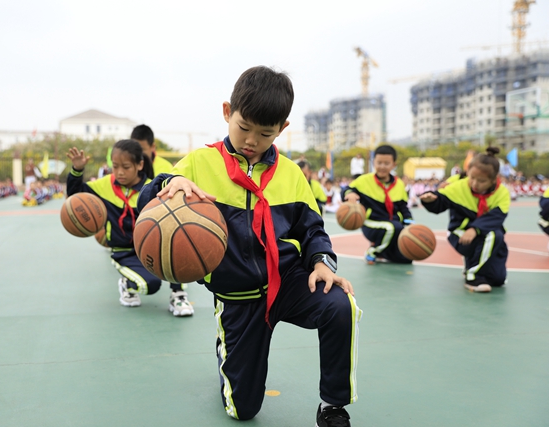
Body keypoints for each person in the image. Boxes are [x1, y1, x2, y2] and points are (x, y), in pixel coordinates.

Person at [138, 66, 361, 426]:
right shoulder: (199, 162)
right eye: (243, 127)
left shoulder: (290, 174)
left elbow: (313, 228)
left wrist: (321, 262)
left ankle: (333, 406)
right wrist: (172, 180)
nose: (251, 140)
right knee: (242, 411)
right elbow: (148, 200)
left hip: (287, 281)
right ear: (227, 112)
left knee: (340, 305)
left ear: (282, 130)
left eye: (265, 133)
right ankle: (230, 357)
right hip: (237, 295)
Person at [66, 139, 195, 317]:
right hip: (124, 251)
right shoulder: (102, 187)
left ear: (140, 165)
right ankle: (127, 284)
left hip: (152, 247)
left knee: (177, 247)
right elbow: (75, 196)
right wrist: (77, 171)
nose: (119, 172)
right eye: (115, 166)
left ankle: (178, 296)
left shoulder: (152, 189)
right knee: (150, 285)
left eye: (126, 167)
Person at [420, 147, 510, 293]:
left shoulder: (502, 193)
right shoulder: (459, 187)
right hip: (459, 233)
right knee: (493, 235)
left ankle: (472, 265)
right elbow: (441, 203)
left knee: (498, 279)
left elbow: (496, 218)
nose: (474, 183)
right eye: (472, 177)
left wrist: (475, 229)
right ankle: (473, 277)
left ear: (494, 180)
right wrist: (431, 200)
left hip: (481, 233)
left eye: (481, 181)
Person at [343, 145, 413, 265]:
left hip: (394, 225)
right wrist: (351, 194)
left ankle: (381, 250)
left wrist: (409, 220)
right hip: (370, 223)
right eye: (379, 162)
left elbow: (403, 207)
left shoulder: (399, 184)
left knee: (405, 259)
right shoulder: (364, 180)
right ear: (373, 162)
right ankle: (373, 251)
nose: (382, 166)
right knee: (392, 227)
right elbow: (347, 189)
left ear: (393, 165)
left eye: (386, 163)